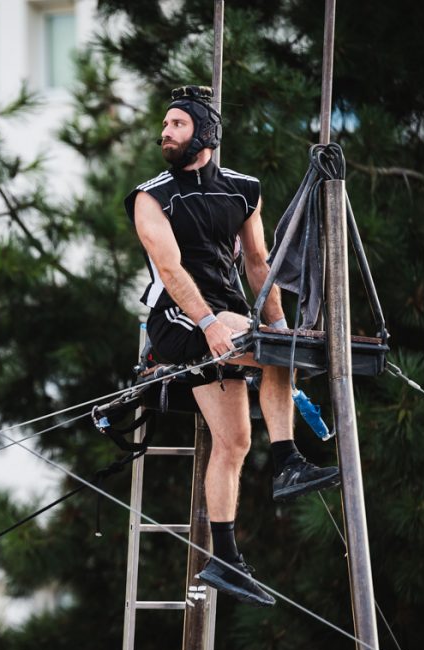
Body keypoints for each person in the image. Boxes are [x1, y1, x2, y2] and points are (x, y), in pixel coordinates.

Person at [123, 86, 340, 607]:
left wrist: (278, 322)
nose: (165, 133)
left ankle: (223, 558)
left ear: (206, 133)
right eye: (165, 125)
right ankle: (288, 459)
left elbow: (258, 263)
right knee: (274, 355)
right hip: (178, 320)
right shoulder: (150, 197)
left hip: (230, 315)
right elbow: (170, 269)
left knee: (236, 442)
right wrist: (208, 322)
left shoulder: (243, 189)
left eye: (177, 124)